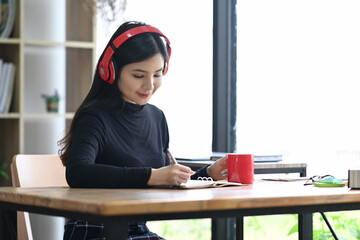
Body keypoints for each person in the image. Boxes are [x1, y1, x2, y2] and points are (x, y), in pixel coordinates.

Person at [58, 21, 227, 240]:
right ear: (111, 70)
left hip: (137, 230)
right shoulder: (94, 117)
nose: (149, 86)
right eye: (139, 76)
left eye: (157, 75)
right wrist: (150, 176)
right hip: (94, 231)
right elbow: (78, 172)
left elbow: (166, 179)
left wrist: (208, 175)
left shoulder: (157, 118)